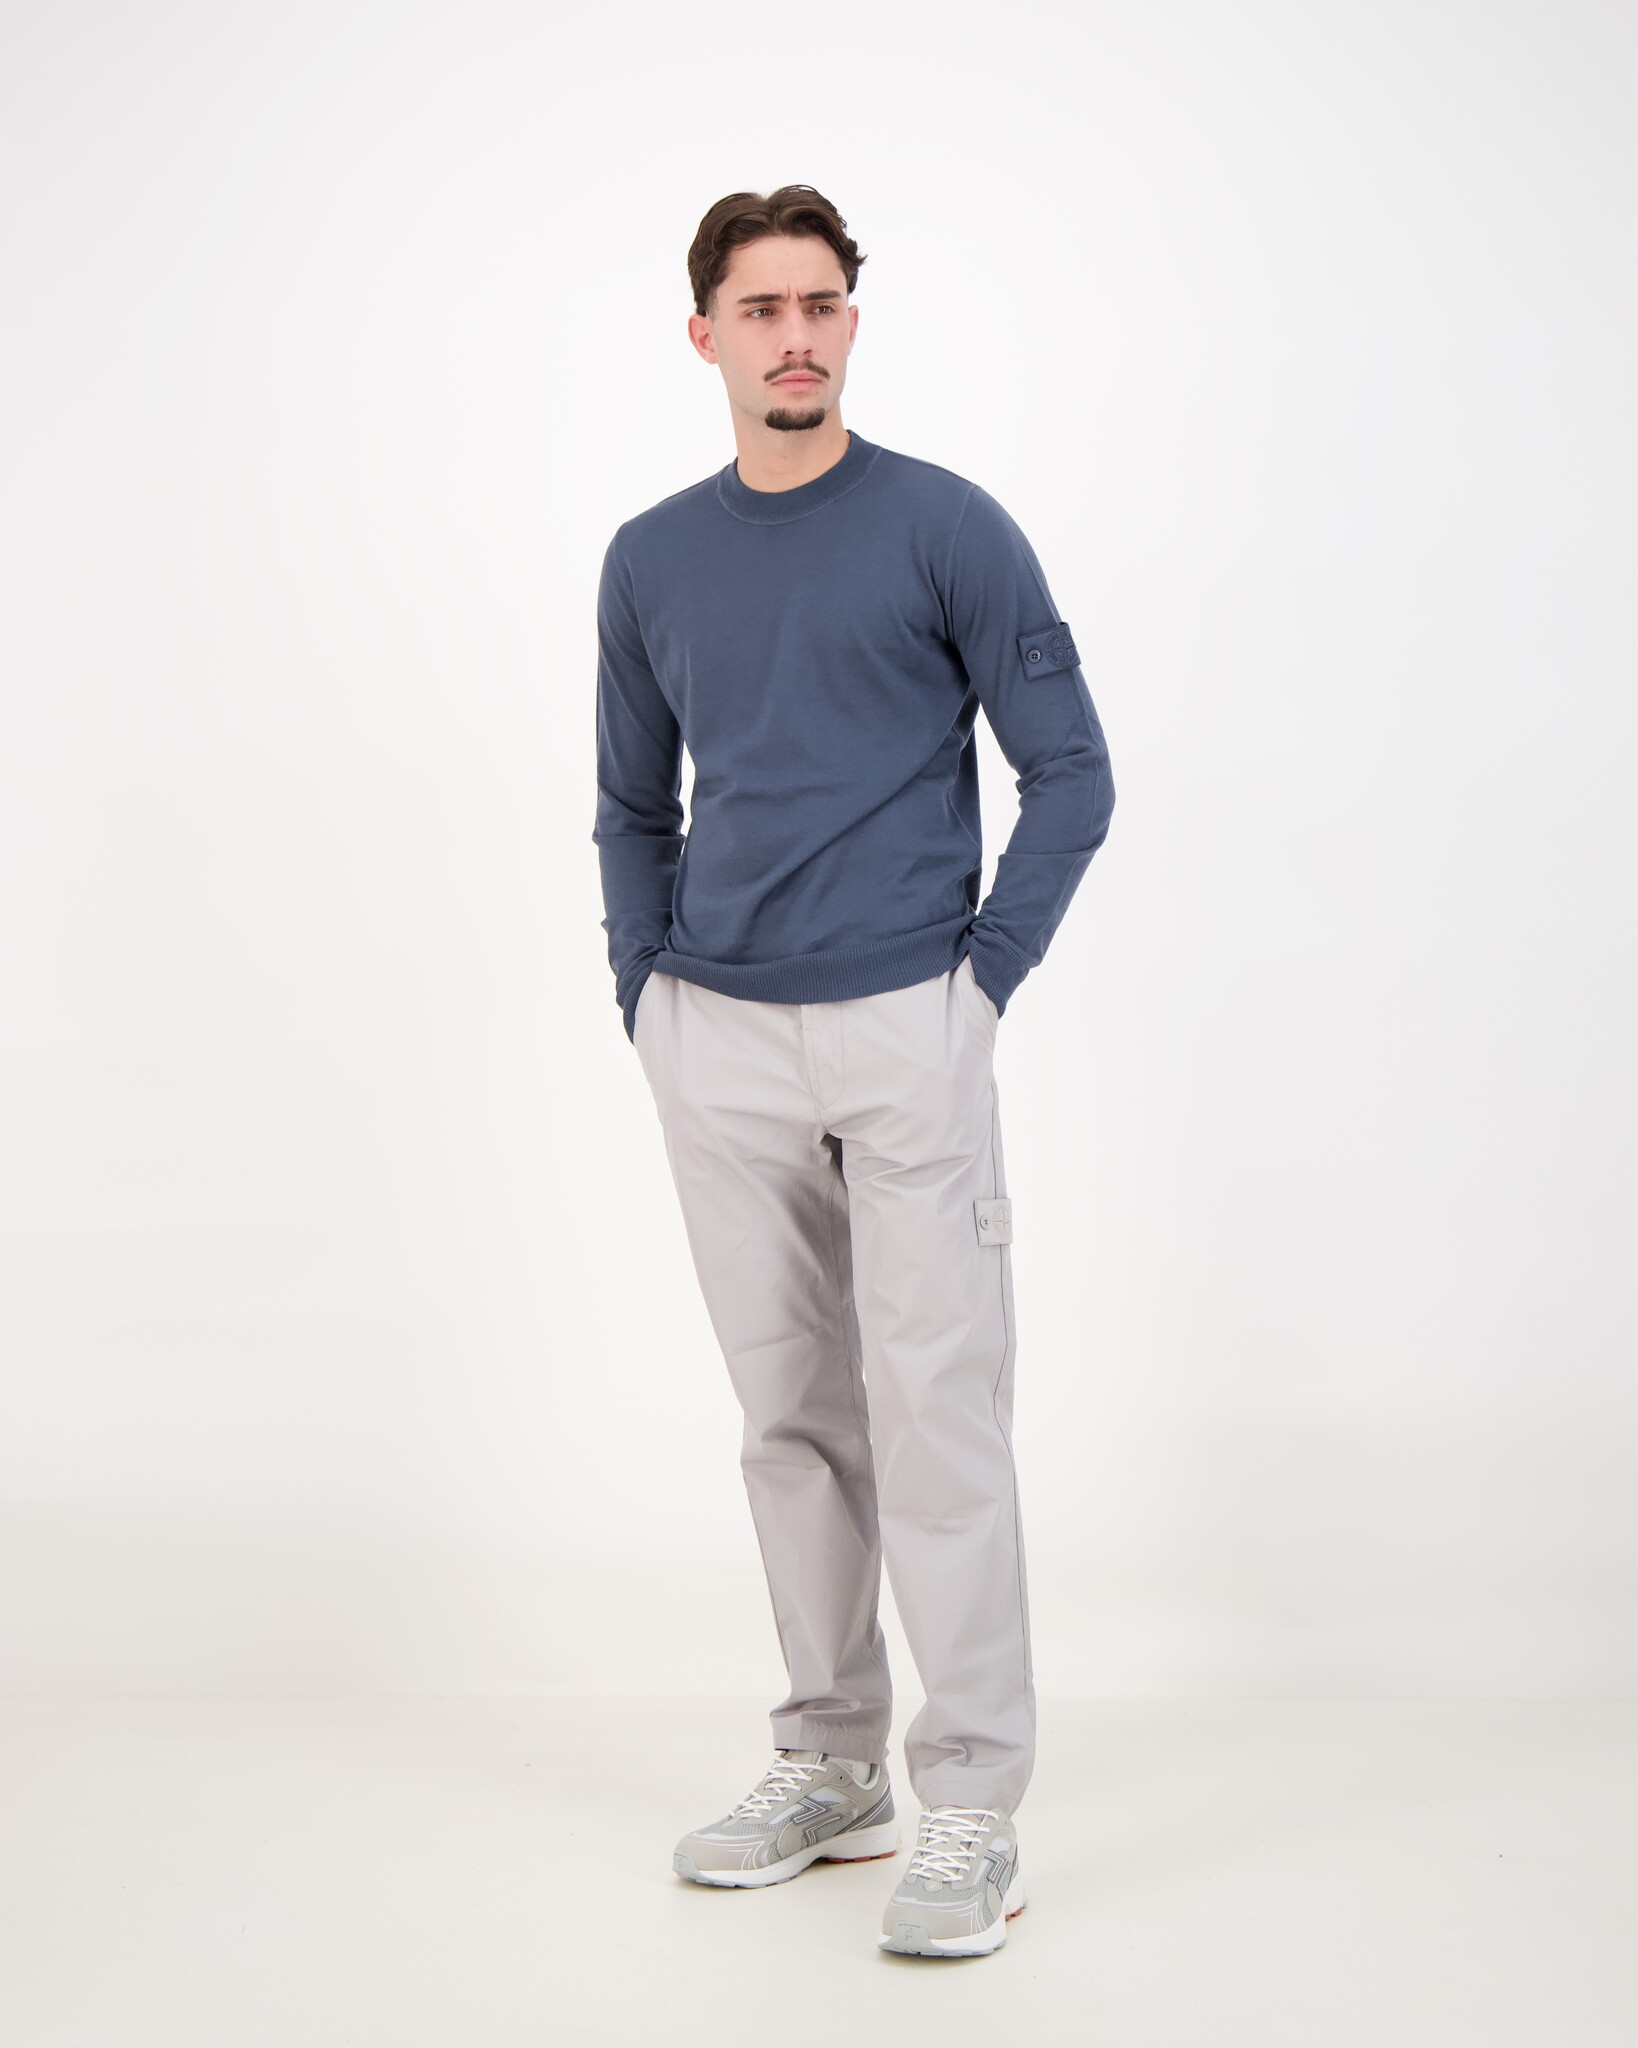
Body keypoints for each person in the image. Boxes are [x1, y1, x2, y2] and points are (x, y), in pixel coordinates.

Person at [591, 185, 1115, 1958]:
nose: (795, 335)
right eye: (761, 309)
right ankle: (830, 1761)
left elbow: (1071, 772)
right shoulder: (650, 559)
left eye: (820, 305)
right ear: (706, 337)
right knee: (791, 1420)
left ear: (851, 326)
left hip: (907, 1024)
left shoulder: (943, 527)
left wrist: (979, 990)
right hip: (715, 1039)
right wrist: (645, 999)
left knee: (936, 1411)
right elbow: (630, 804)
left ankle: (969, 1798)